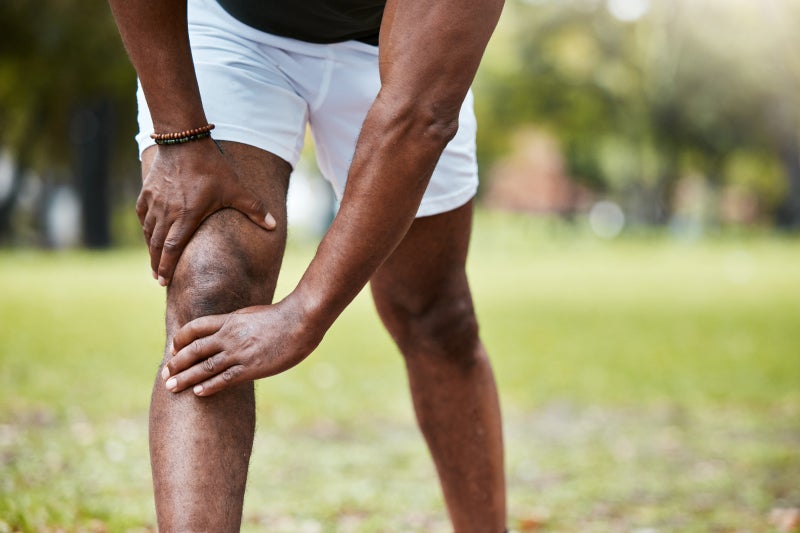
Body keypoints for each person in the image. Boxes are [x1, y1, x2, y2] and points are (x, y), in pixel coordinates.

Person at [107, 0, 506, 530]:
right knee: (209, 285)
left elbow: (419, 116)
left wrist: (304, 313)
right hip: (231, 27)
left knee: (435, 313)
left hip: (397, 47)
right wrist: (180, 138)